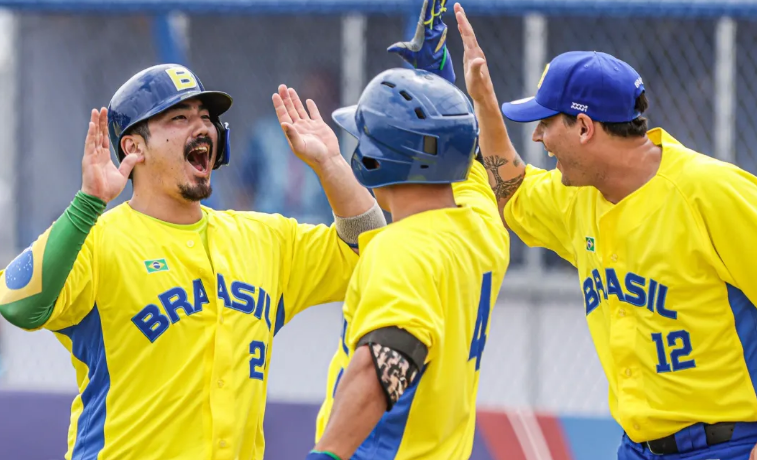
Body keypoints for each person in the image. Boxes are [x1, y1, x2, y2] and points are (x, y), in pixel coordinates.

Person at [0, 63, 385, 460]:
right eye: (179, 118)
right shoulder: (98, 240)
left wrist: (330, 164)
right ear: (134, 147)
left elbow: (368, 253)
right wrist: (87, 204)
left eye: (206, 118)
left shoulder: (264, 239)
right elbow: (18, 304)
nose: (203, 128)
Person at [454, 3, 757, 460]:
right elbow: (511, 190)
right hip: (636, 448)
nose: (537, 137)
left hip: (729, 446)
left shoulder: (711, 192)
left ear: (583, 127)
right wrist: (483, 102)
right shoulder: (579, 196)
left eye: (545, 122)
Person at [305, 6, 510, 459]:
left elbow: (385, 362)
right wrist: (440, 86)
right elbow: (464, 160)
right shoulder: (482, 226)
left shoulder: (400, 249)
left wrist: (327, 454)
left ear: (380, 161)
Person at [237, 69, 338, 224]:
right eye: (305, 101)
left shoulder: (338, 145)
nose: (308, 110)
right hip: (268, 224)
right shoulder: (265, 135)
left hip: (318, 228)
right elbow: (245, 188)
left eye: (320, 101)